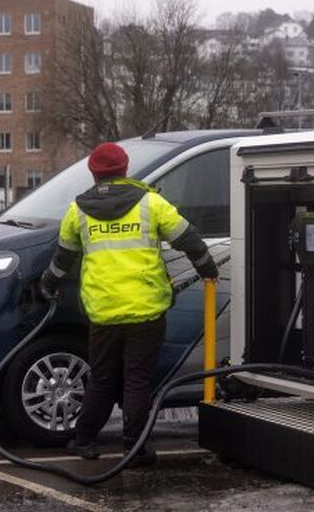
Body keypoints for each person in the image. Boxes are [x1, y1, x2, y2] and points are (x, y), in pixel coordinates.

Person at [40, 142, 218, 466]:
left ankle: (83, 440)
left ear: (93, 173)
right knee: (137, 379)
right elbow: (189, 239)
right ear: (124, 169)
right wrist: (207, 269)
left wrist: (48, 284)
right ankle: (135, 448)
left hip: (103, 310)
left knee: (102, 378)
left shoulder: (77, 210)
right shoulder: (151, 203)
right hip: (146, 311)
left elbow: (63, 258)